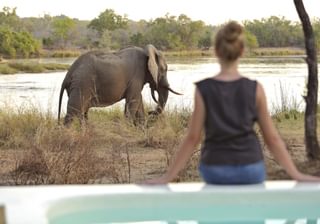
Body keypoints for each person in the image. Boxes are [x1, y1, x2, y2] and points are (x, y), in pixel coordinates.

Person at [144, 21, 320, 185]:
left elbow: (192, 138)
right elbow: (272, 138)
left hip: (215, 168)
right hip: (250, 167)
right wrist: (296, 174)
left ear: (216, 51)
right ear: (242, 51)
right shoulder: (255, 89)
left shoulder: (203, 89)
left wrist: (168, 177)